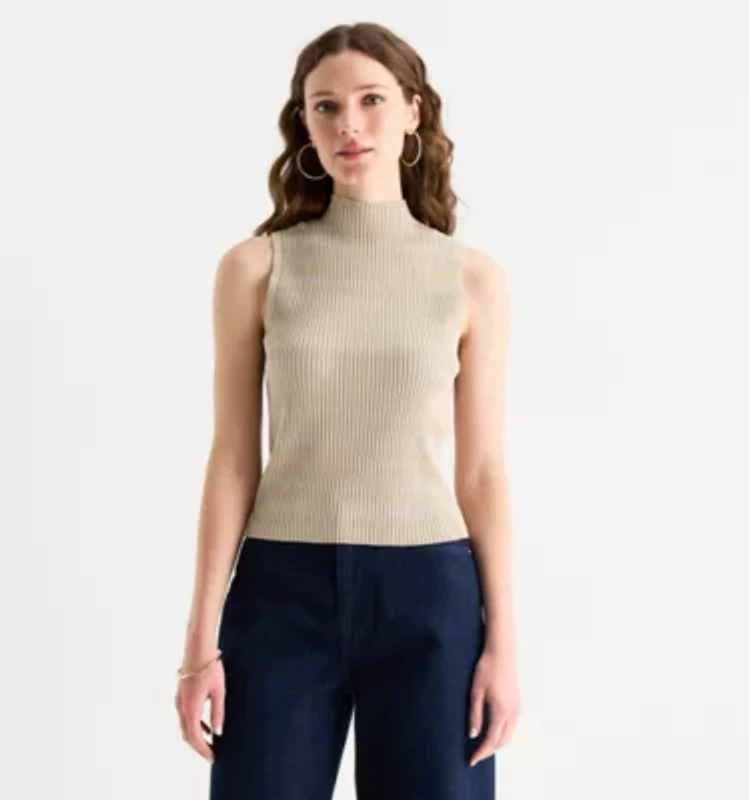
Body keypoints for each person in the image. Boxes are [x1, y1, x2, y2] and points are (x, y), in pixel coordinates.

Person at [174, 21, 521, 800]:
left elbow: (483, 471)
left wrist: (503, 643)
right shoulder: (257, 267)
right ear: (303, 124)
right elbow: (233, 458)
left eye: (371, 100)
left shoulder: (470, 279)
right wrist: (200, 641)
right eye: (325, 107)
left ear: (413, 112)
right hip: (282, 592)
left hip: (430, 594)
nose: (348, 125)